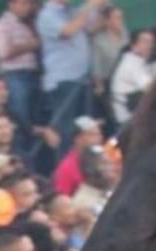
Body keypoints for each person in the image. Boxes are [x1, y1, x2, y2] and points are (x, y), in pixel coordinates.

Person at [38, 0, 110, 152]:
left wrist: (101, 7)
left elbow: (91, 28)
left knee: (86, 126)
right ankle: (65, 168)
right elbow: (68, 31)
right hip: (62, 80)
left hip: (82, 77)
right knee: (65, 130)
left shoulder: (72, 11)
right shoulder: (46, 15)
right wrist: (89, 6)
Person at [0, 0, 42, 130]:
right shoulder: (3, 25)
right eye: (24, 3)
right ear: (12, 4)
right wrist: (29, 46)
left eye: (29, 4)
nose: (28, 7)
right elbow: (3, 52)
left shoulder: (30, 23)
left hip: (34, 73)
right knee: (20, 112)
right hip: (16, 75)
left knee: (36, 113)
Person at [110, 27, 155, 127]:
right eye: (145, 41)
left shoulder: (146, 62)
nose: (149, 46)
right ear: (134, 46)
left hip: (142, 118)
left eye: (151, 42)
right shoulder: (130, 62)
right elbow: (150, 88)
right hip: (128, 122)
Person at [52, 114, 103, 195]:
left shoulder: (104, 161)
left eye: (98, 134)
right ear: (77, 139)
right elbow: (62, 199)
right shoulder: (67, 168)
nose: (98, 138)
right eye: (91, 134)